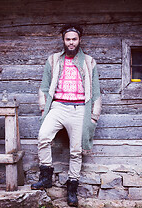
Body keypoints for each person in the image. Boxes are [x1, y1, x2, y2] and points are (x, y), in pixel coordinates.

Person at [31, 24, 102, 207]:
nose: (71, 42)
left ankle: (72, 190)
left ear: (79, 40)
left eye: (74, 39)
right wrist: (43, 109)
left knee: (76, 151)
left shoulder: (89, 62)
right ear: (63, 40)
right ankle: (46, 177)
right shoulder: (54, 60)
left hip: (80, 110)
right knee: (43, 137)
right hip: (58, 107)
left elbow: (95, 93)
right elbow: (44, 87)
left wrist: (93, 117)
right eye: (67, 39)